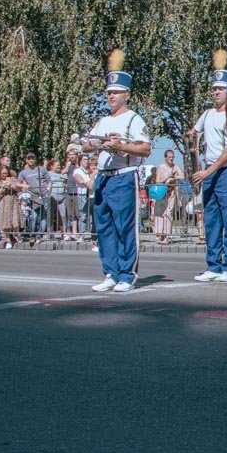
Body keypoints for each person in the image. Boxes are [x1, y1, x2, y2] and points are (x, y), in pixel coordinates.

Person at [82, 50, 151, 293]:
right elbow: (86, 145)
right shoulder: (102, 121)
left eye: (116, 92)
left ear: (126, 95)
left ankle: (127, 274)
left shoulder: (134, 119)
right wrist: (98, 143)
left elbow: (145, 148)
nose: (111, 96)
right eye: (109, 93)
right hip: (103, 177)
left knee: (124, 227)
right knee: (104, 228)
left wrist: (120, 146)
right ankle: (110, 273)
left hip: (123, 175)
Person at [190, 53, 227, 279]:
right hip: (209, 171)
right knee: (211, 219)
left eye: (221, 88)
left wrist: (209, 170)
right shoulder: (208, 114)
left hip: (226, 170)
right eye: (214, 89)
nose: (217, 92)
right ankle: (213, 265)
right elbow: (193, 132)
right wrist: (191, 140)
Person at [17, 153, 51, 245]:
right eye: (29, 159)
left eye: (33, 158)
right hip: (34, 196)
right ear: (26, 160)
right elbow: (17, 183)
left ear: (35, 159)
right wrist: (24, 185)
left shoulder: (42, 169)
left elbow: (49, 181)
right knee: (34, 216)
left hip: (44, 195)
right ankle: (32, 236)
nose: (31, 160)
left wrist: (49, 189)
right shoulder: (24, 172)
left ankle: (39, 235)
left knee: (44, 216)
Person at [0, 159, 22, 249]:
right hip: (4, 202)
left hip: (13, 201)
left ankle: (16, 234)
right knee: (6, 222)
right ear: (0, 174)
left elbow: (18, 188)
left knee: (15, 219)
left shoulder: (12, 179)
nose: (5, 175)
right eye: (3, 173)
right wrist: (3, 188)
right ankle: (8, 241)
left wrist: (11, 185)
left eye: (6, 173)